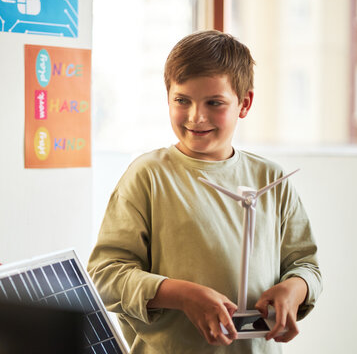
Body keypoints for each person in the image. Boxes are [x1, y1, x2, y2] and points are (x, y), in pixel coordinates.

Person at [87, 30, 322, 353]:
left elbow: (306, 264)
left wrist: (295, 289)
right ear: (167, 97)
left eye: (215, 103)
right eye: (182, 100)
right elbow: (105, 276)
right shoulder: (148, 176)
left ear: (245, 103)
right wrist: (183, 295)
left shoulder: (272, 178)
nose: (197, 117)